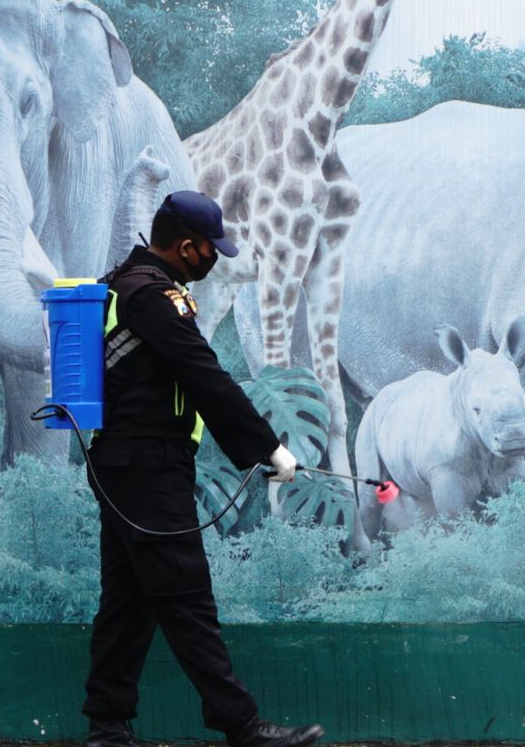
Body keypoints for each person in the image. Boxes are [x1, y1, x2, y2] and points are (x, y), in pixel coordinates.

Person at [81, 190, 324, 747]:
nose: (216, 259)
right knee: (186, 597)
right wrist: (269, 450)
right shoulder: (152, 296)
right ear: (187, 248)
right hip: (145, 467)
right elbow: (203, 375)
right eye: (211, 250)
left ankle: (106, 728)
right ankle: (241, 726)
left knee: (129, 600)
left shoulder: (127, 282)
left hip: (128, 464)